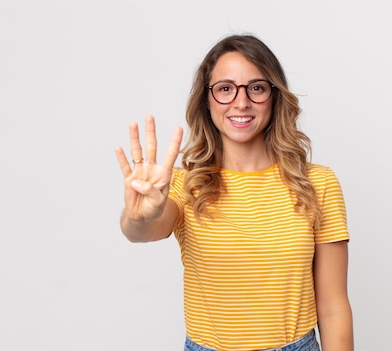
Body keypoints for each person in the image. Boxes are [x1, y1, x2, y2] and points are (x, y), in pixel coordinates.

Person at [115, 34, 353, 351]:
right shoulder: (184, 185)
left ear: (274, 96)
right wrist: (138, 216)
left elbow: (334, 306)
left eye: (256, 88)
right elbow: (143, 231)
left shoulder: (317, 183)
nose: (241, 102)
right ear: (207, 100)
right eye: (225, 89)